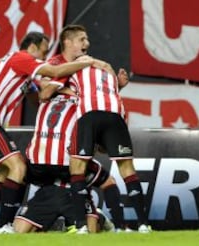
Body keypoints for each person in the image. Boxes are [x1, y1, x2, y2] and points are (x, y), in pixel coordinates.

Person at [0, 31, 99, 234]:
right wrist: (86, 62)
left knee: (5, 170)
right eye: (42, 54)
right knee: (18, 166)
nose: (43, 59)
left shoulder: (23, 70)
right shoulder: (21, 58)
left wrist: (62, 91)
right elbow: (54, 71)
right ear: (33, 47)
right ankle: (3, 226)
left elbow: (40, 96)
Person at [25, 25, 131, 233]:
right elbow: (44, 93)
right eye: (82, 40)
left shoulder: (86, 67)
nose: (87, 44)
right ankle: (99, 220)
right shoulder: (53, 66)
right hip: (55, 147)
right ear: (68, 42)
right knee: (20, 172)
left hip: (75, 142)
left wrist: (115, 86)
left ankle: (110, 225)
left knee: (95, 179)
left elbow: (96, 94)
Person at [64, 65, 151, 233]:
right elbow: (107, 148)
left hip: (88, 115)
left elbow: (55, 87)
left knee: (77, 170)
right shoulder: (110, 78)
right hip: (115, 115)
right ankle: (143, 224)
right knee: (128, 170)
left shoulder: (77, 69)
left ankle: (81, 225)